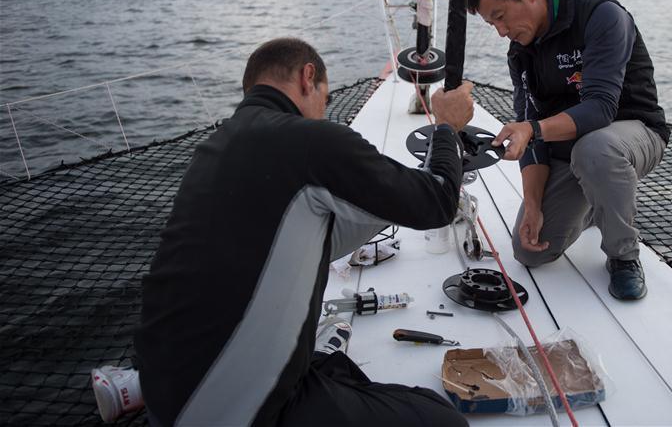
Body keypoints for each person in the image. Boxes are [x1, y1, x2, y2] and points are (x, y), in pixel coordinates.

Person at [133, 37, 472, 427]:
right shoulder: (309, 140)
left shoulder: (215, 148)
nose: (322, 114)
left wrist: (385, 198)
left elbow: (297, 236)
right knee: (443, 420)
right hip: (240, 414)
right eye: (324, 101)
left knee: (334, 366)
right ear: (307, 77)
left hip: (165, 390)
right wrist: (446, 127)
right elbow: (438, 203)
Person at [467, 0, 669, 301]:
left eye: (500, 17)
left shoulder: (602, 16)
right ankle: (595, 201)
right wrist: (531, 203)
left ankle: (623, 256)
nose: (501, 32)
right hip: (573, 150)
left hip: (634, 133)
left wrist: (532, 129)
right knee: (531, 251)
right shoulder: (521, 51)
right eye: (491, 24)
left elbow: (601, 109)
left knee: (596, 149)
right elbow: (530, 129)